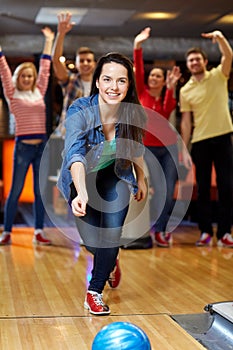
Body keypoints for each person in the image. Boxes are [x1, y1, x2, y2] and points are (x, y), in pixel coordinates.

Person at [57, 52, 147, 315]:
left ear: (128, 85)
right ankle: (111, 261)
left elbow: (135, 149)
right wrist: (81, 193)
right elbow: (74, 153)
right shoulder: (80, 109)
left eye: (121, 81)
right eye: (107, 79)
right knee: (93, 243)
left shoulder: (133, 114)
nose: (114, 87)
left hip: (114, 178)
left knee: (111, 236)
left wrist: (141, 179)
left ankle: (94, 291)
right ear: (97, 81)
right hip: (82, 178)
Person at [0, 27, 54, 246]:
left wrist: (49, 40)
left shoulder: (39, 91)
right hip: (23, 148)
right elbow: (3, 69)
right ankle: (7, 232)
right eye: (23, 75)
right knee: (15, 191)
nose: (28, 78)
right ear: (17, 77)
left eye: (30, 75)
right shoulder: (12, 94)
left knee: (41, 193)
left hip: (41, 146)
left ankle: (39, 230)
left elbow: (46, 68)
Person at [179, 30, 233, 247]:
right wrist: (183, 146)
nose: (194, 63)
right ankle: (204, 232)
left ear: (205, 61)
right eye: (190, 60)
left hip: (223, 138)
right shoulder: (185, 90)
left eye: (197, 59)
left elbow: (228, 56)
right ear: (188, 64)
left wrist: (220, 38)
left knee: (226, 186)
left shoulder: (219, 76)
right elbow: (185, 121)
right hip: (200, 141)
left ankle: (225, 233)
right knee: (201, 188)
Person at [133, 27, 181, 247]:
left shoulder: (168, 97)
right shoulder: (141, 91)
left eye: (158, 76)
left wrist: (171, 89)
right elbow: (139, 69)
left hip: (168, 150)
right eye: (152, 75)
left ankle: (160, 230)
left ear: (163, 81)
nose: (153, 78)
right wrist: (138, 45)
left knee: (168, 192)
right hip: (147, 150)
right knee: (145, 191)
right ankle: (143, 228)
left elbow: (169, 109)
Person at [52, 12, 96, 132]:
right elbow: (55, 60)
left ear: (94, 64)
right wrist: (61, 34)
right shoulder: (70, 81)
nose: (85, 63)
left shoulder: (101, 85)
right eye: (81, 61)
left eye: (88, 60)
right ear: (76, 64)